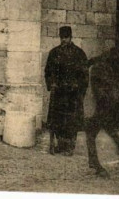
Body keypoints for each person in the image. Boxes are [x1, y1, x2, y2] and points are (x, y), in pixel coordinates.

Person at [44, 26, 88, 156]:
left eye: (66, 38)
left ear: (71, 37)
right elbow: (48, 71)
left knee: (71, 121)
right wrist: (51, 83)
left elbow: (85, 75)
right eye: (62, 38)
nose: (64, 40)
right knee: (57, 120)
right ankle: (60, 144)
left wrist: (80, 90)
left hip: (72, 94)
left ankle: (70, 146)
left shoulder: (79, 54)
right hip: (58, 93)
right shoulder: (54, 53)